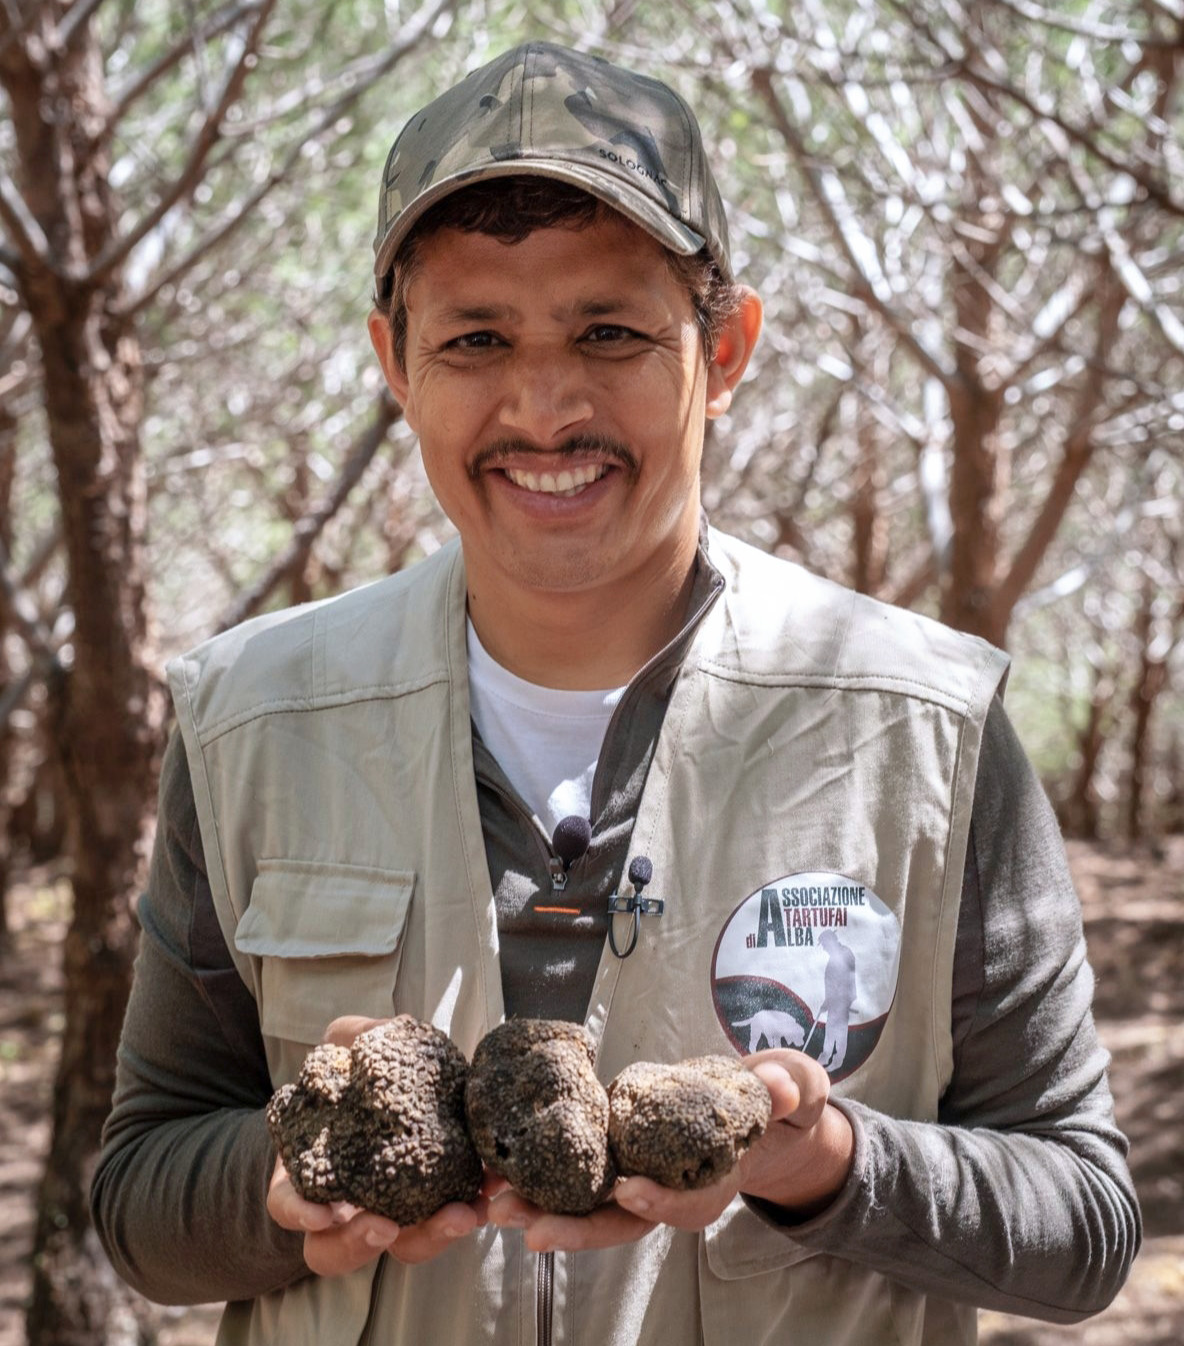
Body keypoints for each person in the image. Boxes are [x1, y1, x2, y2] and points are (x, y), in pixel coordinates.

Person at [92, 40, 1140, 1346]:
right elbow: (139, 1201)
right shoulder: (252, 719)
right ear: (393, 360)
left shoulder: (924, 725)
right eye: (477, 336)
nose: (545, 404)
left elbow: (1087, 1223)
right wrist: (296, 1168)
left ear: (727, 347)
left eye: (610, 331)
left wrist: (817, 1159)